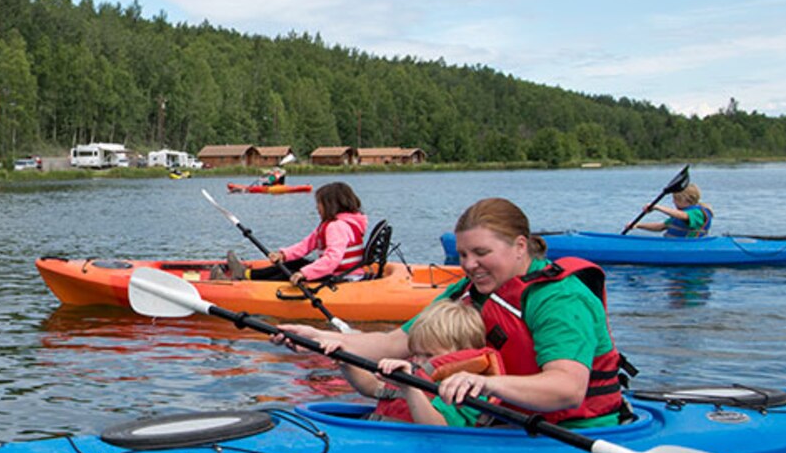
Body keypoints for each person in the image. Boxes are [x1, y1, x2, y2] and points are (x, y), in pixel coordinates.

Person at [279, 197, 627, 429]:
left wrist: (486, 383)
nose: (469, 265)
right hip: (499, 422)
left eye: (480, 253)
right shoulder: (467, 291)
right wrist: (322, 339)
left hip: (570, 430)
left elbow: (567, 388)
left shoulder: (560, 299)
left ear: (520, 246)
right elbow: (394, 342)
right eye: (462, 255)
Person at [337, 297, 498, 425]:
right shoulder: (418, 372)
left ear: (463, 352)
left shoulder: (470, 390)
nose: (420, 361)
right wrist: (345, 360)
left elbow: (438, 430)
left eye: (428, 355)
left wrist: (409, 387)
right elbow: (372, 388)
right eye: (416, 354)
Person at [218, 182, 367, 282]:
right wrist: (283, 255)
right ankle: (245, 275)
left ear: (331, 205)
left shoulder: (337, 227)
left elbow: (332, 259)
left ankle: (247, 282)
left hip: (343, 277)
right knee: (294, 262)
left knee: (288, 272)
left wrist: (305, 273)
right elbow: (306, 245)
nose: (317, 208)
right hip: (338, 272)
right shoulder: (336, 223)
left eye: (319, 204)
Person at [637, 183, 713, 237]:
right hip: (673, 245)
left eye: (675, 199)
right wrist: (638, 225)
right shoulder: (677, 215)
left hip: (689, 247)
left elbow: (683, 215)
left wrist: (657, 207)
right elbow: (660, 226)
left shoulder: (697, 213)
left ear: (685, 200)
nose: (673, 202)